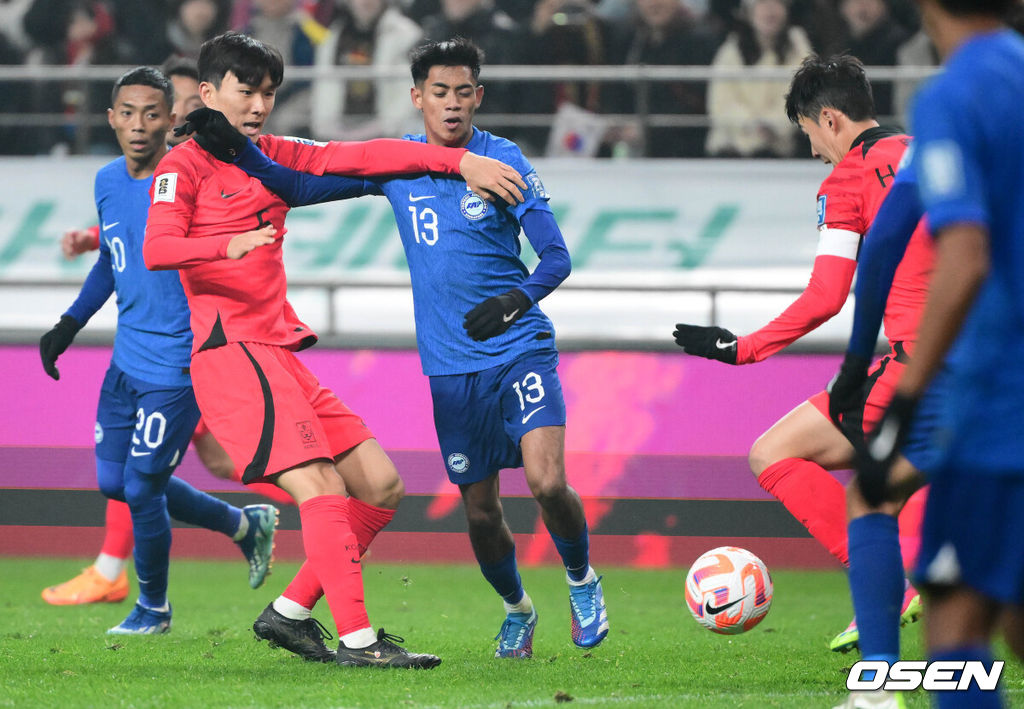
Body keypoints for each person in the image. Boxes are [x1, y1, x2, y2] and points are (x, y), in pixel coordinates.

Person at [194, 36, 610, 659]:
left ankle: (582, 583)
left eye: (463, 92)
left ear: (479, 95)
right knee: (481, 512)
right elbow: (300, 186)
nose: (451, 104)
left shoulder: (503, 160)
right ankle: (517, 609)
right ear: (417, 97)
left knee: (548, 481)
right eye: (439, 92)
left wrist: (516, 301)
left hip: (518, 344)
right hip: (450, 365)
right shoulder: (399, 162)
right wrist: (238, 151)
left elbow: (557, 256)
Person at [142, 31, 525, 667]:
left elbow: (361, 154)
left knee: (378, 485)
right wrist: (224, 246)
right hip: (231, 352)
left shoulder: (272, 153)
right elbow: (157, 248)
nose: (261, 104)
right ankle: (358, 640)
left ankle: (290, 614)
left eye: (270, 92)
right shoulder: (180, 168)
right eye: (248, 91)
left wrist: (456, 162)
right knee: (320, 486)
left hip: (279, 352)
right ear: (209, 93)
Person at [673, 53, 932, 651]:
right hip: (994, 360)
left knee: (774, 453)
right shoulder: (936, 152)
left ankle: (890, 588)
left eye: (809, 133)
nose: (814, 149)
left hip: (922, 365)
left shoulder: (848, 179)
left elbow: (826, 297)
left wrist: (743, 349)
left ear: (832, 119)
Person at [38, 66, 279, 632]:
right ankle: (244, 525)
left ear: (172, 119)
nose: (139, 125)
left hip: (176, 366)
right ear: (111, 119)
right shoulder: (106, 182)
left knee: (142, 486)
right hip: (126, 362)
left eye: (153, 113)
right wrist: (69, 323)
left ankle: (153, 607)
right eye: (128, 113)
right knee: (113, 483)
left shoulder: (187, 181)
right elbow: (111, 259)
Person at [854, 2, 1024, 707]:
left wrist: (908, 393)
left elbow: (966, 256)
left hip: (1000, 397)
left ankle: (876, 681)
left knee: (956, 616)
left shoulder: (955, 94)